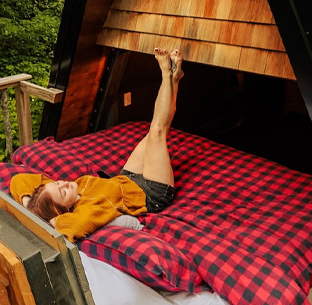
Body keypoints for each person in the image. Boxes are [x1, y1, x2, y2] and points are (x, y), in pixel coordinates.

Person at [11, 48, 184, 240]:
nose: (65, 183)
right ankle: (166, 74)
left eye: (58, 183)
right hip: (151, 193)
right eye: (63, 192)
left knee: (157, 131)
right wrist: (50, 221)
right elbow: (74, 228)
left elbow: (18, 180)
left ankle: (175, 78)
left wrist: (29, 204)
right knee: (157, 130)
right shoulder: (87, 212)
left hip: (126, 179)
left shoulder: (75, 186)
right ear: (63, 211)